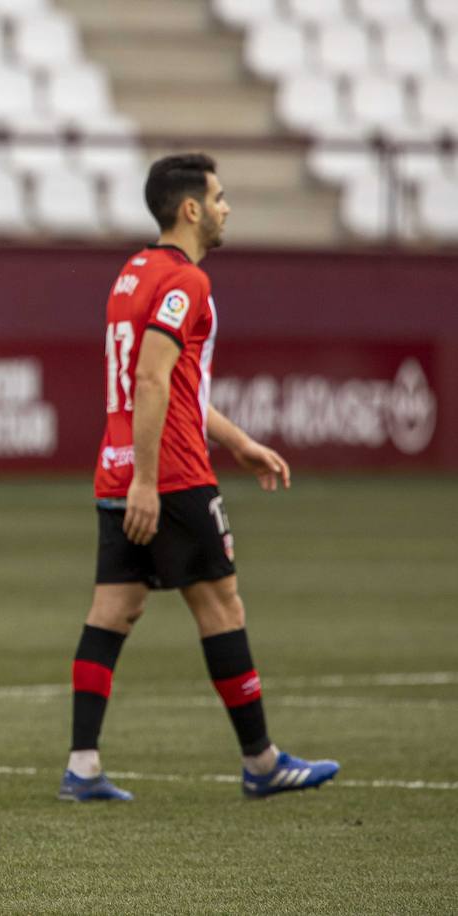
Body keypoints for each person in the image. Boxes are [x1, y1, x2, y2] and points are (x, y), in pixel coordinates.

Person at [60, 153, 339, 802]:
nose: (226, 208)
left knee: (114, 609)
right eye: (219, 197)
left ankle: (83, 766)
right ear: (190, 209)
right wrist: (150, 484)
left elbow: (172, 385)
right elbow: (153, 379)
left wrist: (239, 442)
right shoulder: (189, 284)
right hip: (172, 474)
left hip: (117, 464)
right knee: (221, 605)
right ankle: (263, 762)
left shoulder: (132, 274)